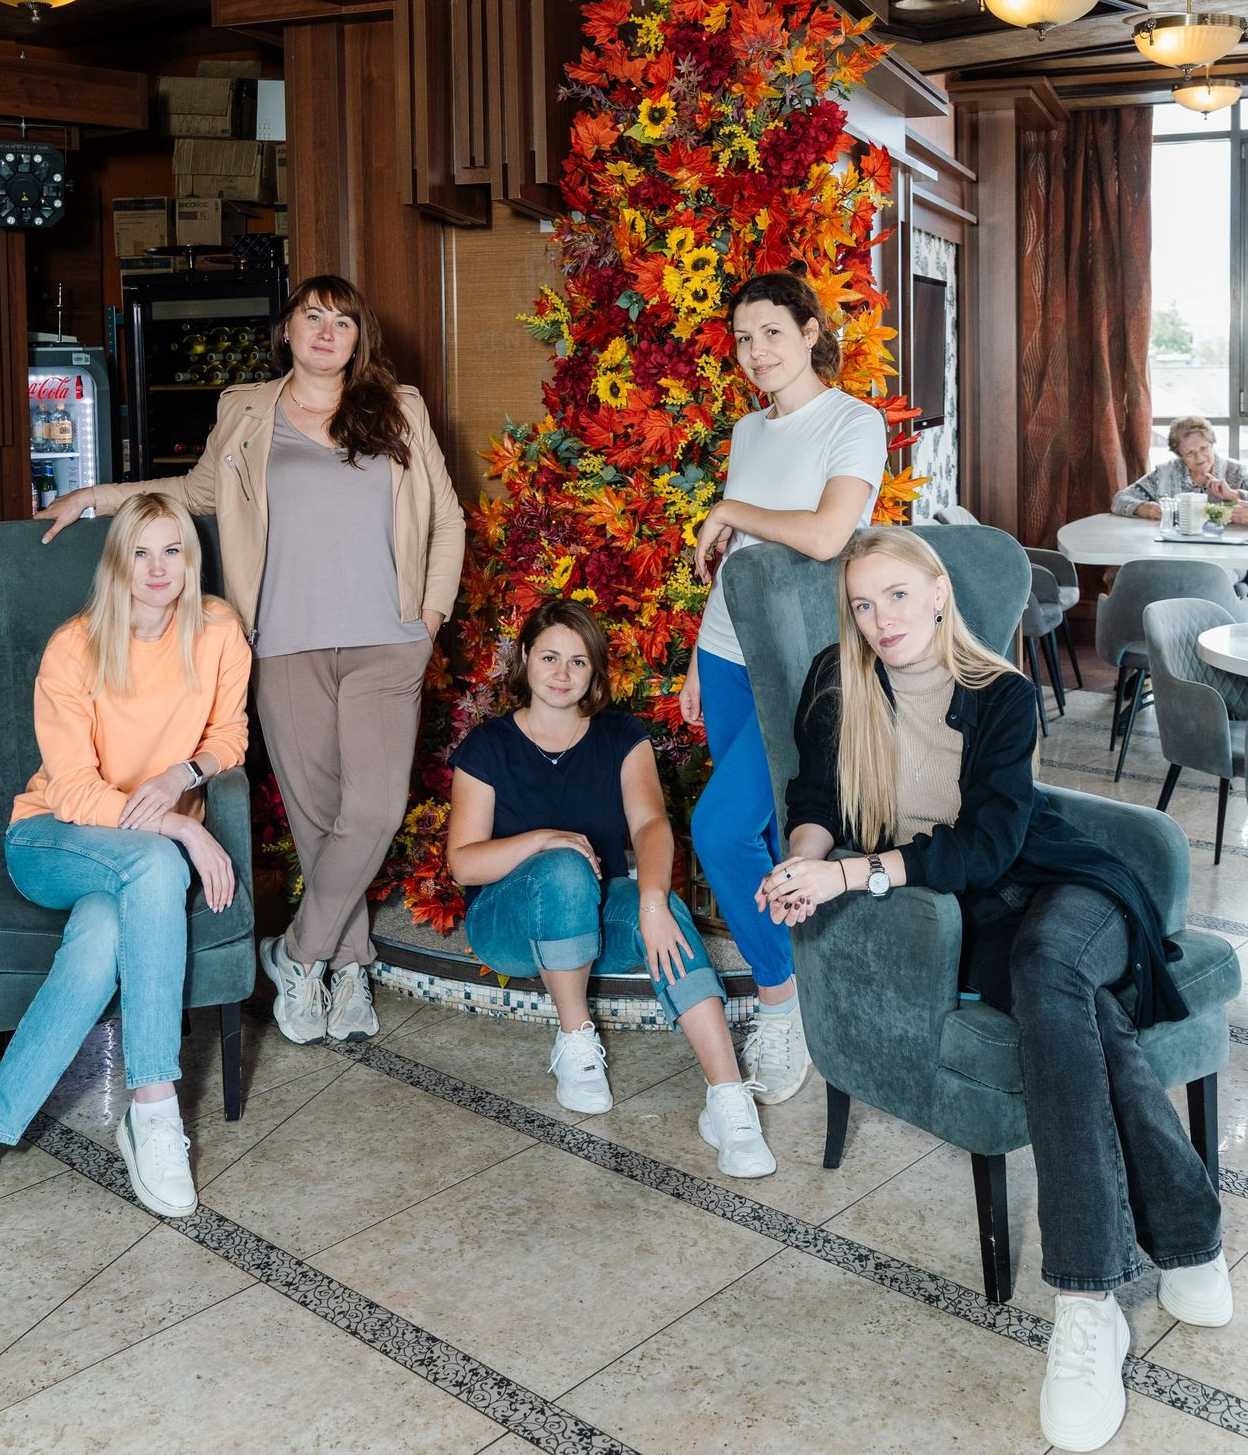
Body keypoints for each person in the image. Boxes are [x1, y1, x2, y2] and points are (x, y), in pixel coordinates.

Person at [759, 526, 1231, 1454]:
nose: (880, 619)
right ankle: (1189, 1237)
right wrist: (800, 863)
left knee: (1054, 971)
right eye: (863, 604)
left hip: (1065, 886)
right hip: (971, 920)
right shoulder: (836, 682)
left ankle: (1085, 1304)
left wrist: (851, 874)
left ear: (938, 592)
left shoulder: (1001, 694)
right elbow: (813, 799)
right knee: (1079, 1018)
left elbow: (988, 846)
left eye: (898, 595)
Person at [36, 275, 465, 1049]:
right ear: (287, 330)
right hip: (284, 643)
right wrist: (94, 498)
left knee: (371, 813)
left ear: (359, 338)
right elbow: (193, 493)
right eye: (312, 316)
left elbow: (445, 518)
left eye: (342, 321)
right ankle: (348, 966)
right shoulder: (245, 411)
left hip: (387, 639)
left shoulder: (398, 407)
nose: (326, 331)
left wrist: (427, 622)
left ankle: (296, 954)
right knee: (318, 821)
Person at [0, 496, 248, 1233]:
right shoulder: (75, 647)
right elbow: (71, 791)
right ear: (117, 563)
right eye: (141, 553)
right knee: (159, 866)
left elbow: (229, 734)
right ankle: (155, 1107)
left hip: (137, 855)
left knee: (104, 934)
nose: (158, 569)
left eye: (172, 551)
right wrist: (182, 827)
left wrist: (184, 775)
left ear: (190, 560)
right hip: (52, 840)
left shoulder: (218, 631)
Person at [446, 599, 775, 1177]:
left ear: (595, 670)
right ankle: (576, 1040)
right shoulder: (488, 746)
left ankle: (728, 1099)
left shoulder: (621, 735)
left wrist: (652, 902)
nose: (562, 674)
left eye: (578, 661)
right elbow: (464, 865)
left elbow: (650, 825)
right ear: (525, 659)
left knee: (667, 911)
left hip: (596, 912)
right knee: (563, 865)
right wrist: (543, 839)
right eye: (549, 657)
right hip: (509, 925)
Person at [681, 270, 888, 1107]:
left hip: (805, 670)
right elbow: (734, 566)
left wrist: (730, 508)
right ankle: (798, 986)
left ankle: (780, 1001)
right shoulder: (746, 429)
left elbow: (827, 534)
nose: (755, 351)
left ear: (809, 331)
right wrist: (697, 659)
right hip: (726, 655)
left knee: (720, 829)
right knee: (760, 836)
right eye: (742, 338)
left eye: (771, 331)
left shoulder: (853, 422)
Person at [1112, 415, 1248, 523]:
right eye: (1190, 453)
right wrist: (1145, 509)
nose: (1199, 457)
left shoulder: (1237, 472)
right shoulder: (1165, 473)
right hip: (1173, 545)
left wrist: (1234, 495)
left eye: (1204, 448)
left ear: (1211, 443)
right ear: (1180, 455)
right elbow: (1119, 499)